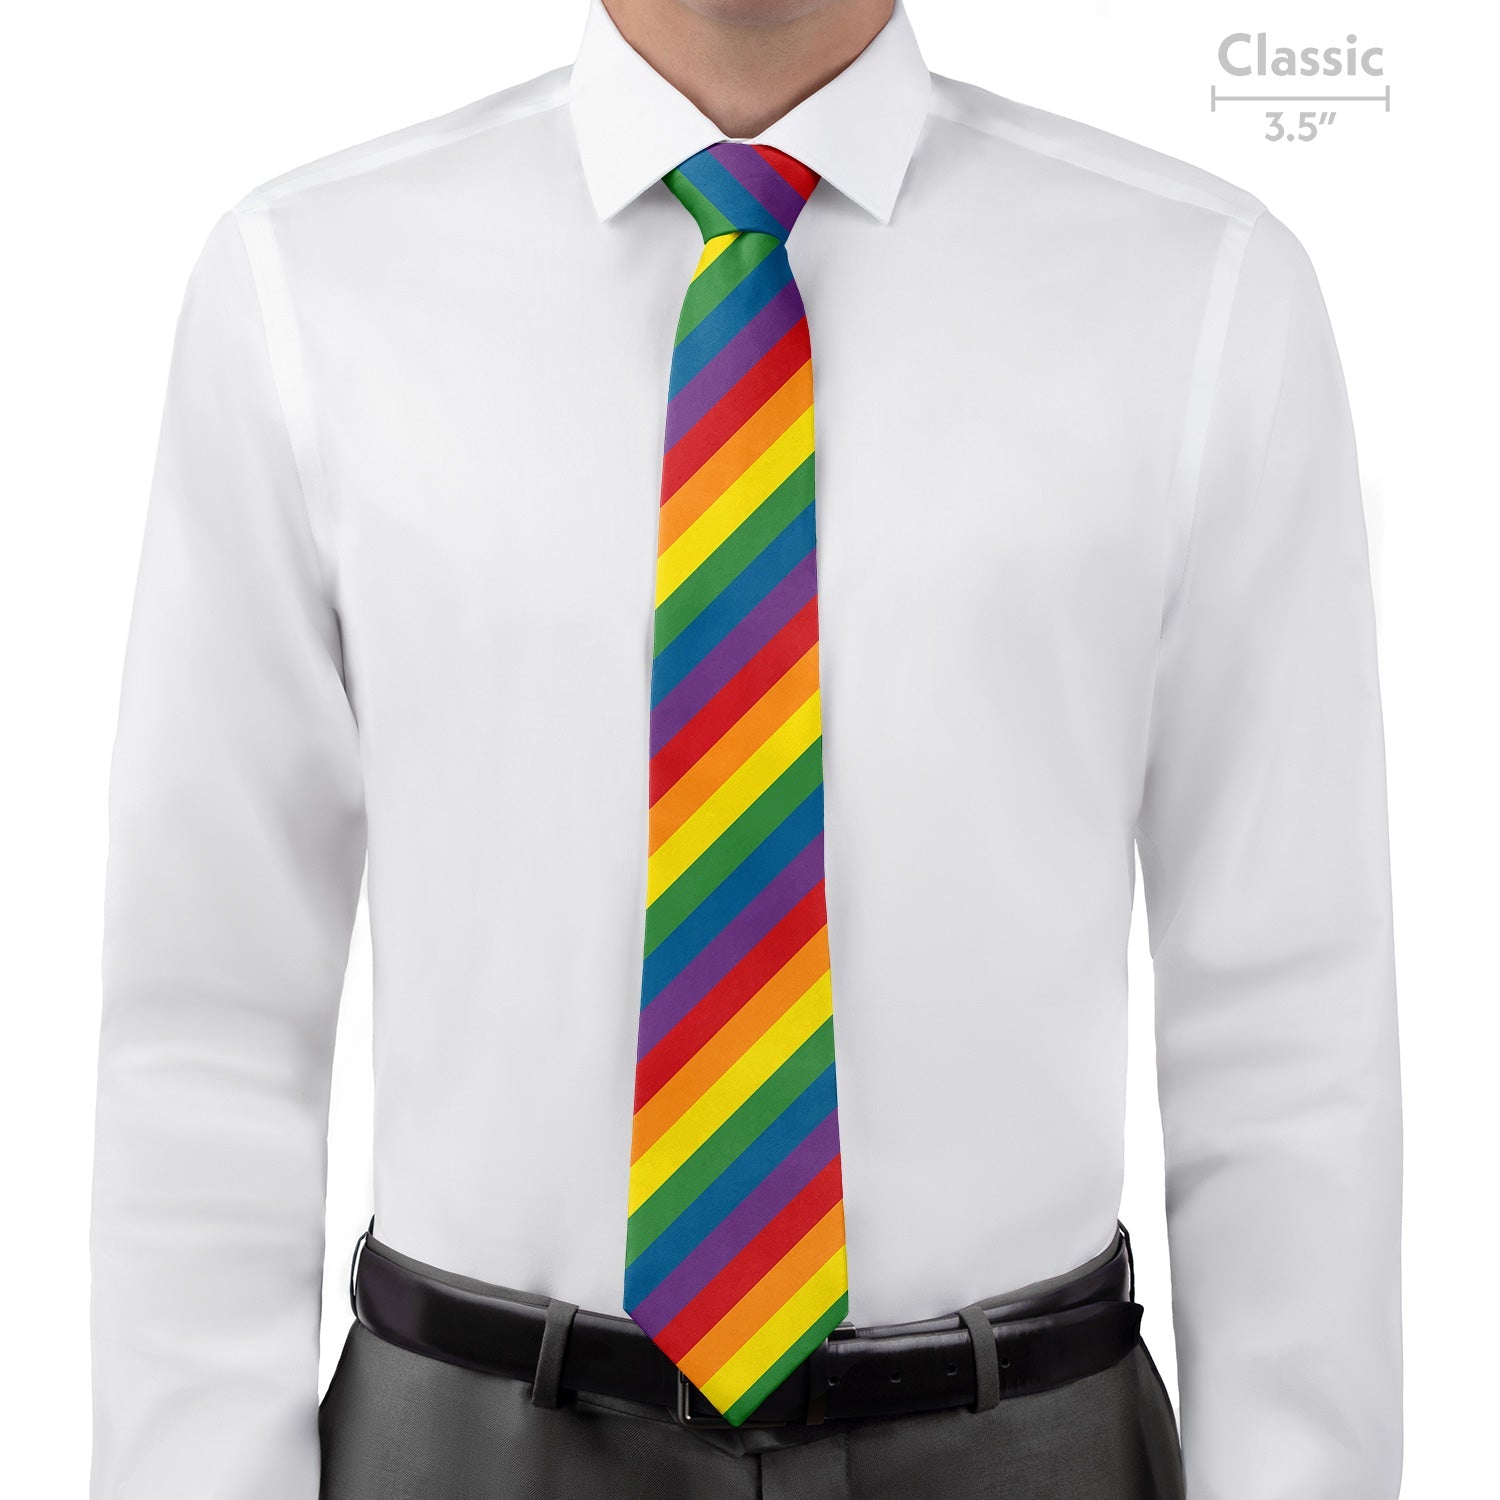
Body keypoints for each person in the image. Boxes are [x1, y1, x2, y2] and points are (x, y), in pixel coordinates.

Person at [89, 0, 1403, 1496]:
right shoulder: (309, 286)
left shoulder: (1201, 296)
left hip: (1023, 1443)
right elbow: (210, 1019)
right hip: (463, 1441)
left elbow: (1287, 1024)